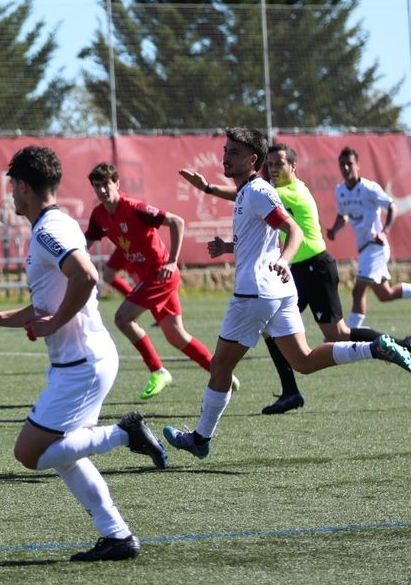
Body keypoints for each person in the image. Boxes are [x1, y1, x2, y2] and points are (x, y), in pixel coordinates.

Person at [0, 146, 168, 563]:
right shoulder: (55, 225)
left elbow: (85, 277)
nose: (11, 195)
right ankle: (117, 535)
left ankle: (123, 434)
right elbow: (46, 305)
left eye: (12, 187)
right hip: (81, 362)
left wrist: (54, 324)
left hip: (82, 365)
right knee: (67, 453)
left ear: (23, 186)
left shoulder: (48, 231)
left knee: (29, 454)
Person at [164, 128, 411, 459]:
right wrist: (227, 246)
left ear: (252, 160)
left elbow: (292, 230)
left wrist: (284, 259)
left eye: (233, 152)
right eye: (225, 150)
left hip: (255, 293)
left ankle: (200, 438)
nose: (225, 157)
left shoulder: (257, 192)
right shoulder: (250, 191)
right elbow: (259, 239)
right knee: (303, 360)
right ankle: (374, 348)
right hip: (278, 290)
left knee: (220, 366)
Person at [84, 162, 227, 400]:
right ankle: (221, 374)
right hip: (149, 277)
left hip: (160, 274)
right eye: (97, 186)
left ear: (117, 183)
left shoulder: (135, 208)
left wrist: (172, 261)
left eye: (106, 184)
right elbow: (85, 244)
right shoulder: (99, 215)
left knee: (122, 318)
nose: (101, 190)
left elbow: (177, 222)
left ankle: (158, 371)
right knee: (176, 336)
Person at [324, 146, 411, 329]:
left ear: (358, 165)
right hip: (364, 248)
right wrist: (334, 230)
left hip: (376, 247)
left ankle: (351, 334)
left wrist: (384, 231)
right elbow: (343, 215)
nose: (345, 168)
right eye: (342, 164)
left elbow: (392, 206)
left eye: (349, 164)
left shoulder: (369, 188)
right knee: (385, 294)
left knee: (358, 291)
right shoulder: (340, 191)